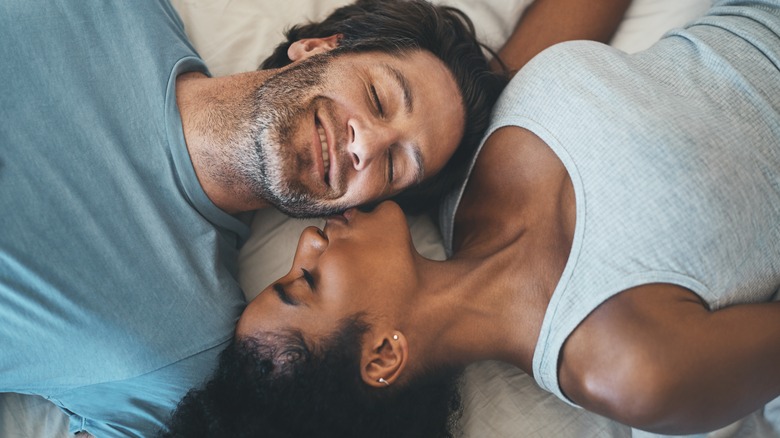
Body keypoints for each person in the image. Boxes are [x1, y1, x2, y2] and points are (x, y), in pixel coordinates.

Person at [172, 0, 780, 436]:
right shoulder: (629, 367)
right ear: (383, 354)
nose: (304, 243)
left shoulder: (450, 158)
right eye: (304, 282)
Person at [0, 0, 506, 436]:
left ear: (360, 205)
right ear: (318, 48)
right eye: (378, 97)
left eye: (394, 165)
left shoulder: (185, 351)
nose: (367, 144)